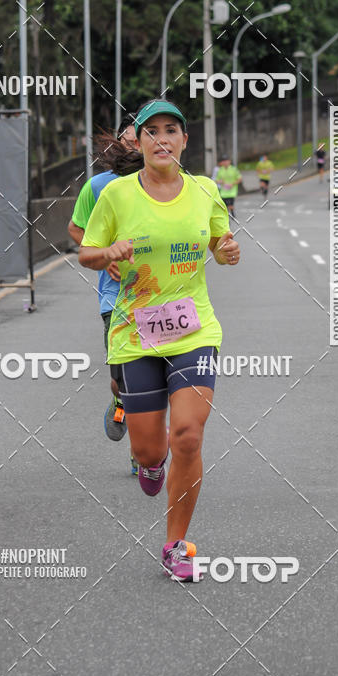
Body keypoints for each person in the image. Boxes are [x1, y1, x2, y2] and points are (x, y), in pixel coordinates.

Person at [79, 99, 240, 582]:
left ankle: (176, 544)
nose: (162, 139)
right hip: (134, 333)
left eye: (172, 130)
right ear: (141, 142)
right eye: (152, 131)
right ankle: (151, 466)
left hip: (194, 328)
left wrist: (228, 250)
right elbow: (86, 252)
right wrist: (107, 250)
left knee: (188, 434)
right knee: (150, 452)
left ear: (184, 141)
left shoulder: (206, 190)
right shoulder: (117, 195)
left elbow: (220, 243)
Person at [67, 114, 141, 473]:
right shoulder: (98, 187)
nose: (137, 143)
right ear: (121, 142)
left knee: (153, 377)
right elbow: (76, 229)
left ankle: (142, 451)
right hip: (116, 297)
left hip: (163, 298)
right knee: (124, 376)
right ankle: (119, 398)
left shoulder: (172, 183)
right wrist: (103, 253)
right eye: (132, 136)